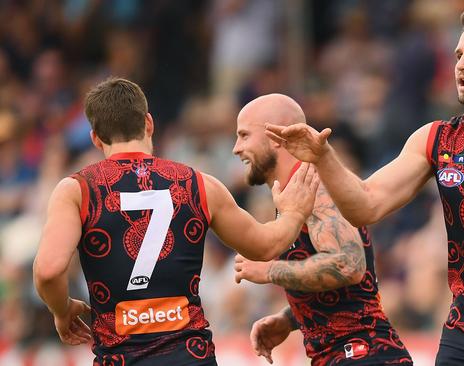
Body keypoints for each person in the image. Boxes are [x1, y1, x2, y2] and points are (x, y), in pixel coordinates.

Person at [266, 6, 464, 366]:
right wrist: (324, 156)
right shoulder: (436, 138)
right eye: (459, 55)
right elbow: (366, 205)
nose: (461, 64)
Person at [32, 78, 319, 365]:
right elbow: (265, 246)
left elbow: (48, 271)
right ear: (148, 123)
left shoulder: (78, 190)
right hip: (190, 355)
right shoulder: (198, 184)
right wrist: (294, 212)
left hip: (122, 358)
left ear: (96, 138)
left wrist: (63, 309)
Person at [232, 94, 413, 365]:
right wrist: (290, 318)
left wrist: (269, 271)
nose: (236, 148)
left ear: (273, 136)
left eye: (244, 135)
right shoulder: (296, 194)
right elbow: (344, 291)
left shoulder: (316, 186)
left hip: (363, 354)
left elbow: (348, 265)